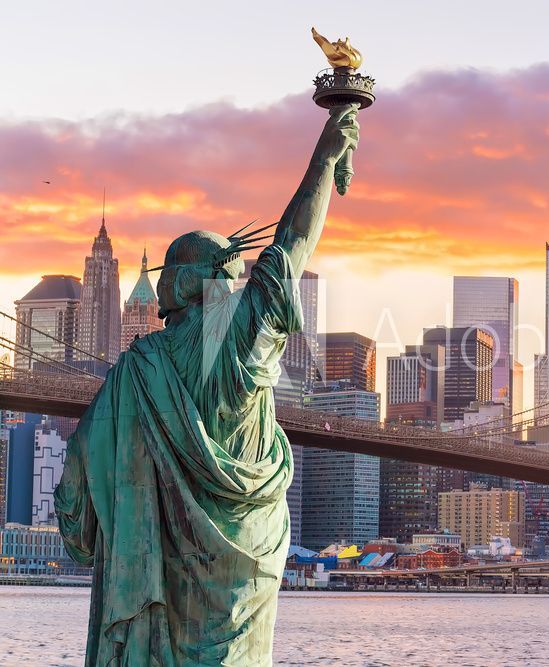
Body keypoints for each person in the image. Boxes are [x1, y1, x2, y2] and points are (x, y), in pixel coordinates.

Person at [54, 102, 360, 666]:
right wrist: (325, 157)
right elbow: (289, 249)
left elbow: (74, 494)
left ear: (181, 282)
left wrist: (95, 529)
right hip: (243, 574)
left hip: (162, 592)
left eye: (167, 271)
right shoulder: (237, 333)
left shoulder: (137, 369)